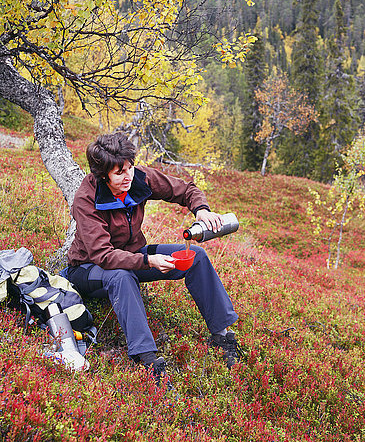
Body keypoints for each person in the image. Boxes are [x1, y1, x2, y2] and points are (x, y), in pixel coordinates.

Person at [66, 133, 241, 384]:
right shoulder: (87, 198)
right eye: (119, 173)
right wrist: (148, 261)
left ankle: (221, 334)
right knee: (121, 276)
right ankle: (148, 360)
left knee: (197, 256)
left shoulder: (139, 178)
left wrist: (201, 209)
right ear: (103, 175)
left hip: (134, 255)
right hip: (88, 269)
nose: (128, 177)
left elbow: (185, 189)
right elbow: (102, 255)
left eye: (129, 168)